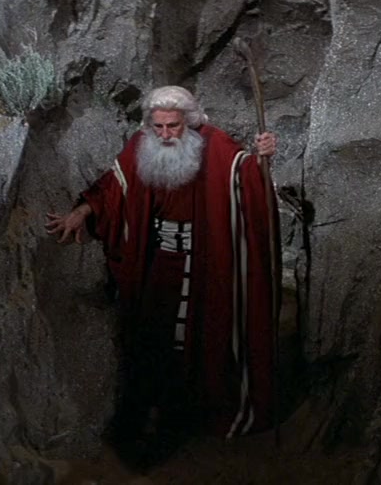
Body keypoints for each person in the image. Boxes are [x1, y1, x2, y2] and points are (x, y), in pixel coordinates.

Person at [45, 86, 279, 462]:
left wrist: (262, 159)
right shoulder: (143, 145)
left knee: (201, 335)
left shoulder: (215, 145)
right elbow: (113, 187)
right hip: (158, 261)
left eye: (173, 126)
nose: (166, 134)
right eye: (159, 127)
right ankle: (150, 419)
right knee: (153, 336)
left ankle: (191, 415)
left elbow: (246, 177)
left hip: (204, 264)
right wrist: (82, 212)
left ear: (190, 121)